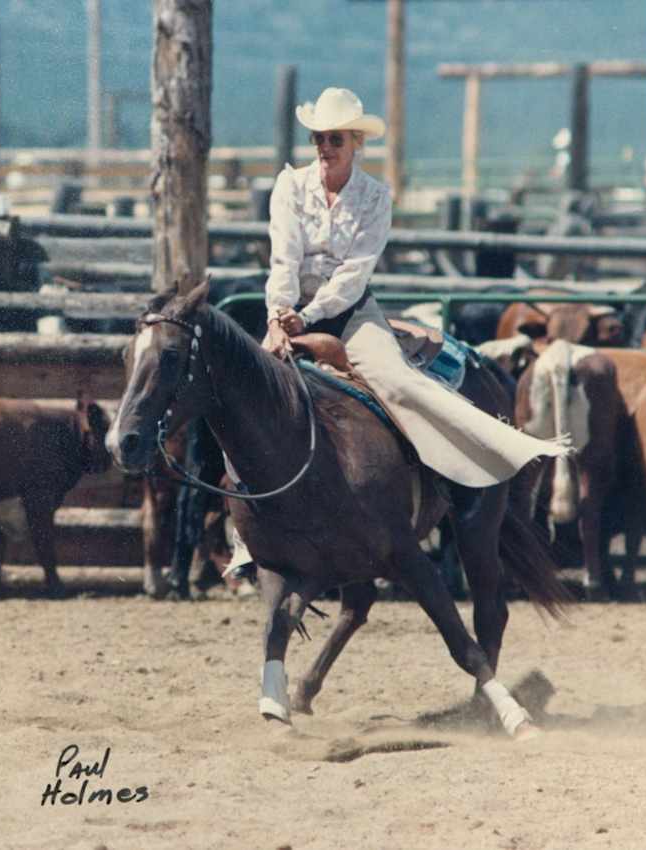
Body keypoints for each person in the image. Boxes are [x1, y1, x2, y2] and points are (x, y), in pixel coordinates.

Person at [225, 88, 570, 577]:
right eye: (319, 138)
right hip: (291, 309)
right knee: (250, 393)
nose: (325, 147)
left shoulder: (374, 197)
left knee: (401, 383)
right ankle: (250, 530)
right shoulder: (290, 188)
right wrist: (281, 313)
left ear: (355, 143)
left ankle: (440, 478)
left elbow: (355, 273)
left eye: (335, 139)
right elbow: (283, 258)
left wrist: (313, 312)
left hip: (350, 314)